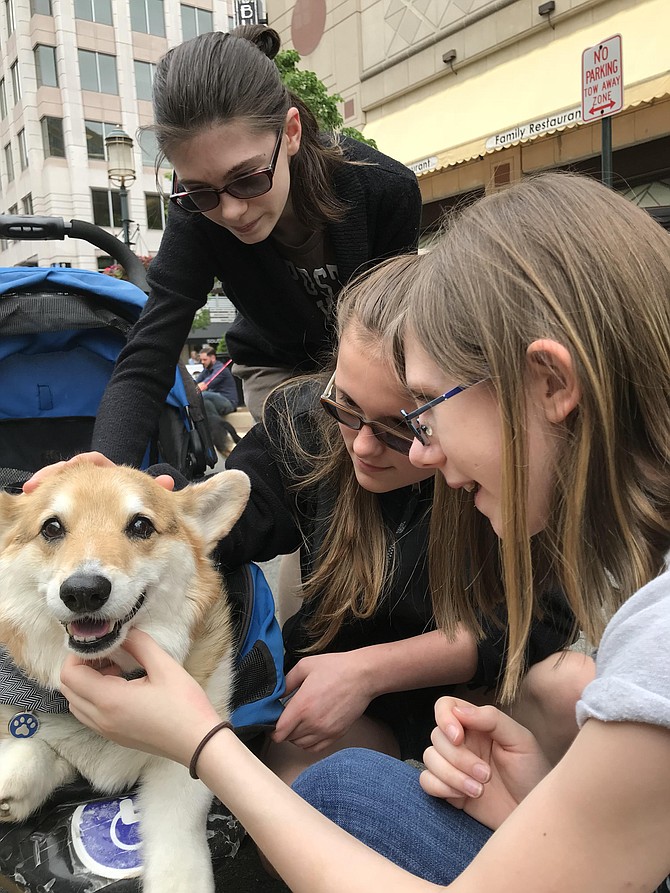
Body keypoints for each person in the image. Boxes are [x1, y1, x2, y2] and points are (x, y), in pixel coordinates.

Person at [59, 172, 670, 893]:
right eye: (344, 408)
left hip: (422, 718)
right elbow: (206, 524)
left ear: (549, 384)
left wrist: (202, 741)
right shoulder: (311, 435)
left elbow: (539, 631)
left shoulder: (651, 633)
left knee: (339, 789)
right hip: (447, 749)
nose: (420, 451)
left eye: (419, 413)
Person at [89, 24, 421, 466]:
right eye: (202, 191)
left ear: (290, 132)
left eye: (246, 179)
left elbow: (391, 335)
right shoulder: (193, 213)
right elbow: (150, 349)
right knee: (294, 467)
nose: (229, 213)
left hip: (369, 367)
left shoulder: (384, 189)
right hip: (276, 367)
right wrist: (101, 471)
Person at [195, 345, 241, 453]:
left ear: (213, 358)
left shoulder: (221, 369)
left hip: (228, 402)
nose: (202, 362)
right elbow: (195, 383)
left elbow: (202, 386)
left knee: (204, 395)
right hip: (215, 401)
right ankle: (216, 431)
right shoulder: (206, 370)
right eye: (201, 359)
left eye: (205, 359)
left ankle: (218, 429)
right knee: (205, 401)